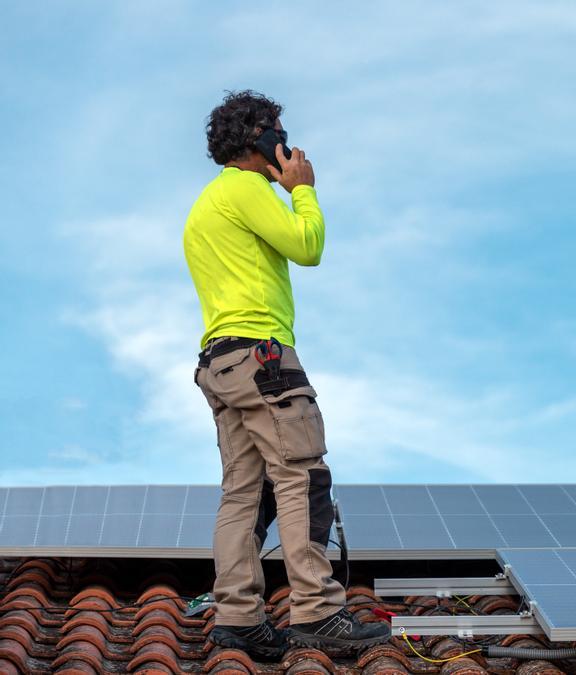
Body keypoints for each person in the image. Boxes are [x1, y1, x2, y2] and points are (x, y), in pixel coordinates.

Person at [183, 90, 390, 660]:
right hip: (264, 358)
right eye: (278, 130)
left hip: (220, 364)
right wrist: (303, 190)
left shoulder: (206, 202)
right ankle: (319, 611)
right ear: (258, 140)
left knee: (243, 493)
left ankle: (239, 618)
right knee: (301, 475)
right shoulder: (247, 189)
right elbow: (307, 246)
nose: (287, 141)